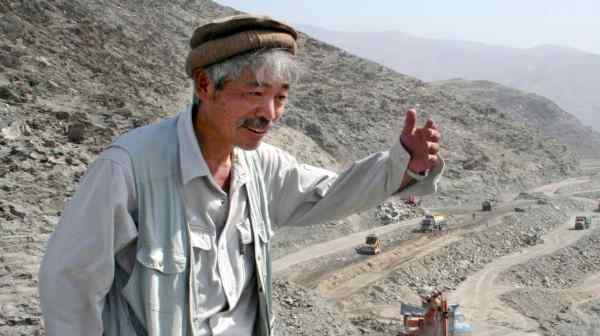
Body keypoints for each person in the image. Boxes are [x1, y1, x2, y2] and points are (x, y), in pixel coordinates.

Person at [39, 15, 444, 336]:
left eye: (280, 97)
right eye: (255, 93)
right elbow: (70, 285)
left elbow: (332, 193)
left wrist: (404, 163)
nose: (270, 113)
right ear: (204, 85)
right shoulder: (128, 168)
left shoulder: (262, 166)